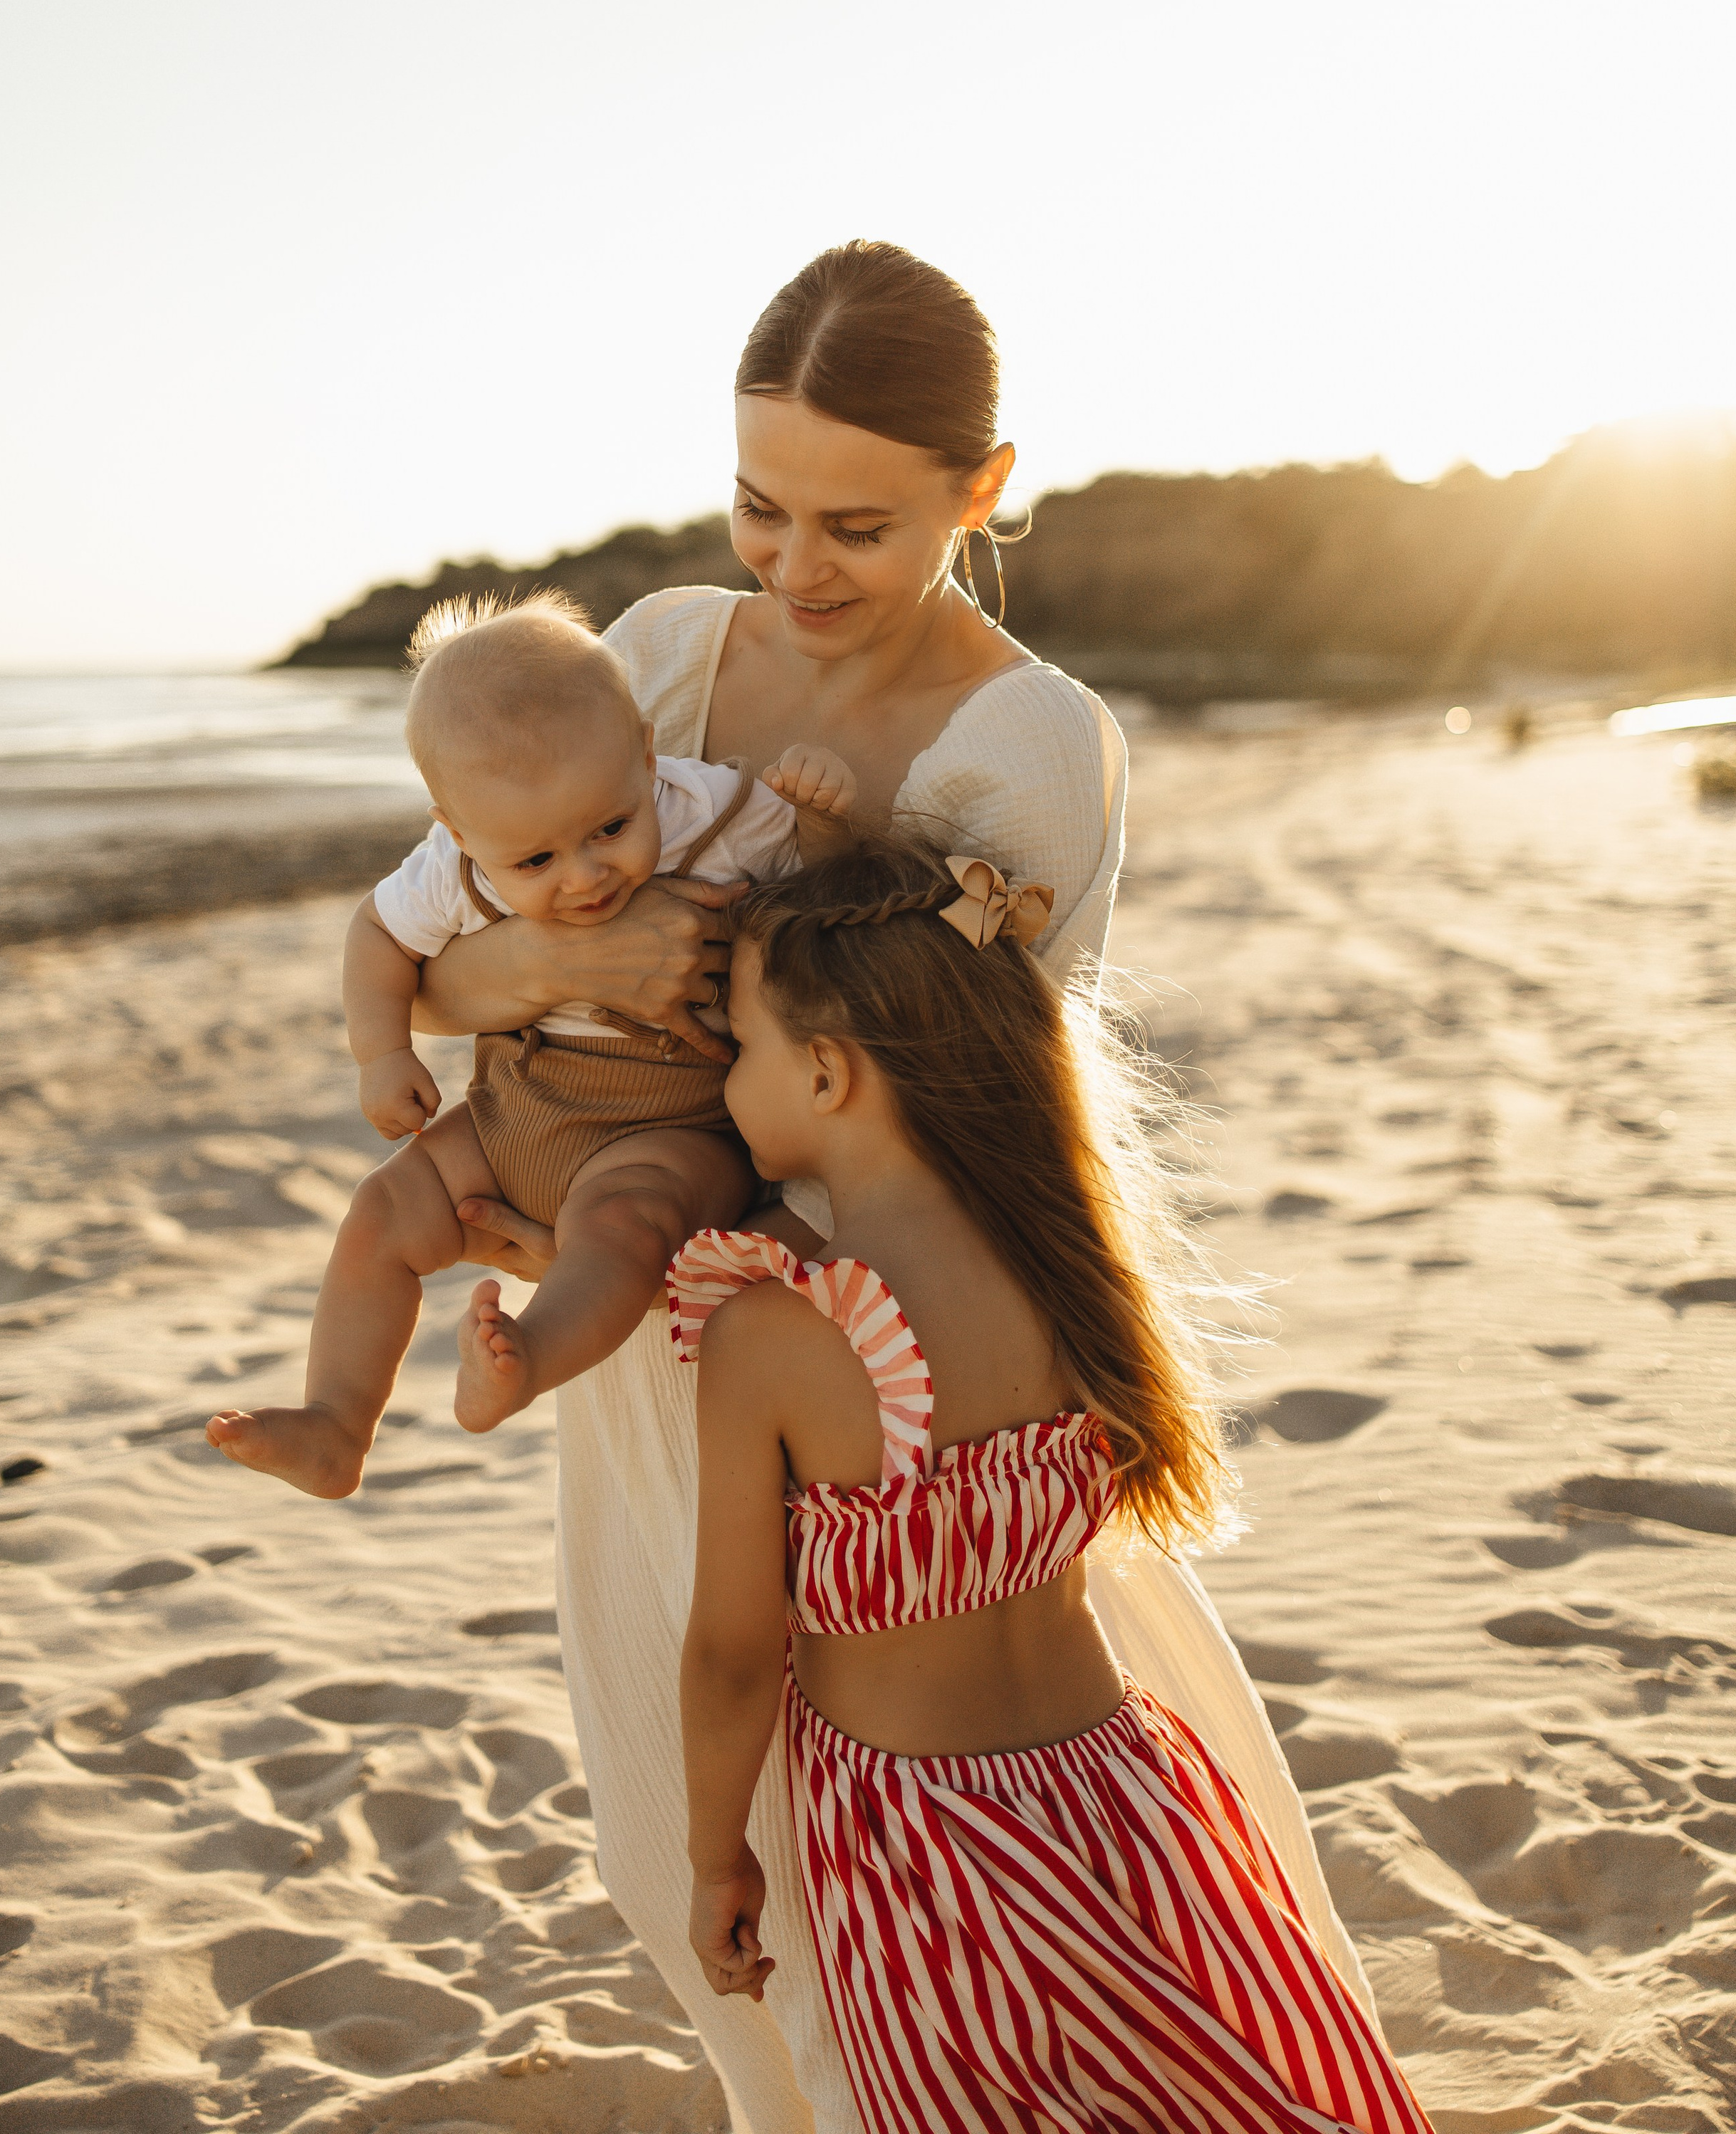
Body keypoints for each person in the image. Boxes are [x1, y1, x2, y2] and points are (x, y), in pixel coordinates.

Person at [417, 240, 1375, 2133]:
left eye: (857, 523)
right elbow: (455, 952)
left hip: (860, 1384)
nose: (796, 569)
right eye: (759, 508)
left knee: (874, 1870)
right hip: (646, 1343)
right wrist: (564, 1054)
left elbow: (936, 1122)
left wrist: (611, 1145)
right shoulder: (672, 650)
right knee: (674, 1852)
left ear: (982, 488)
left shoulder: (1026, 747)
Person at [675, 837, 1431, 2134]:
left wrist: (710, 1858)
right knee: (1212, 2089)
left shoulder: (776, 1336)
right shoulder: (1066, 1264)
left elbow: (738, 1655)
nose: (726, 1081)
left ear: (826, 1072)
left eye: (738, 1046)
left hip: (923, 1844)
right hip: (1125, 1791)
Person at [205, 592, 854, 1497]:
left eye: (611, 830)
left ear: (642, 746)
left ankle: (530, 1354)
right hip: (519, 1107)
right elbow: (377, 937)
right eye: (537, 864)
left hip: (677, 1125)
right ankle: (338, 1424)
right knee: (380, 1215)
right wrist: (381, 1055)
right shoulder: (459, 862)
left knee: (622, 1228)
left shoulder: (719, 814)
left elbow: (829, 899)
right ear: (456, 825)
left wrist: (823, 820)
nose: (587, 876)